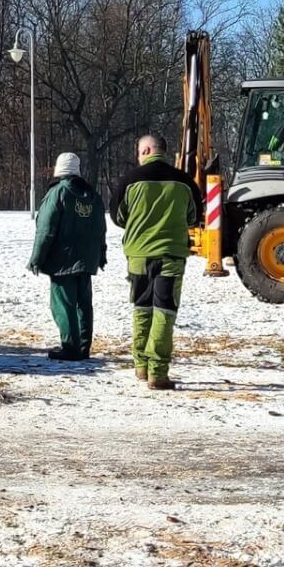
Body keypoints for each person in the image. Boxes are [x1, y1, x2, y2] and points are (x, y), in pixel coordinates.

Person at [110, 134, 201, 390]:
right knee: (164, 312)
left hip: (138, 257)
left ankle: (140, 366)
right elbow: (194, 217)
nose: (138, 156)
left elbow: (118, 217)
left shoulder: (129, 181)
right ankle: (157, 373)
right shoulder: (184, 181)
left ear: (147, 150)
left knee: (141, 310)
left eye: (139, 151)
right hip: (171, 257)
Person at [28, 152, 108, 360]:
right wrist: (101, 254)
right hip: (87, 259)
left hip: (62, 260)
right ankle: (83, 347)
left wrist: (37, 258)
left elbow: (45, 229)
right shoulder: (93, 195)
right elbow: (101, 228)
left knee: (63, 304)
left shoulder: (58, 193)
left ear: (58, 169)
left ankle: (70, 347)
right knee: (84, 304)